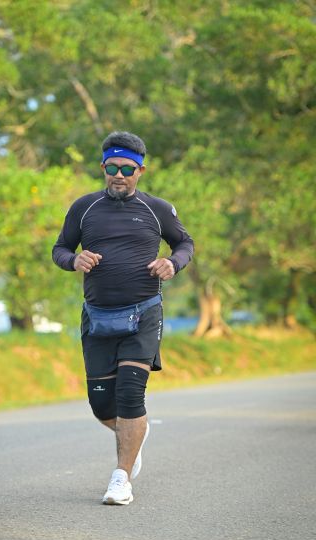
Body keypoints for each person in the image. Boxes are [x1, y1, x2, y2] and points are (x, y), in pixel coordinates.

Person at [52, 131, 194, 505]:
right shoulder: (84, 208)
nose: (119, 175)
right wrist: (74, 260)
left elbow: (185, 243)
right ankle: (136, 432)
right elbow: (60, 248)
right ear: (103, 167)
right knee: (102, 405)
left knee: (130, 394)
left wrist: (172, 263)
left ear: (140, 171)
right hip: (97, 317)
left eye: (127, 169)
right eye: (112, 167)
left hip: (143, 313)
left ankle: (121, 479)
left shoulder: (157, 209)